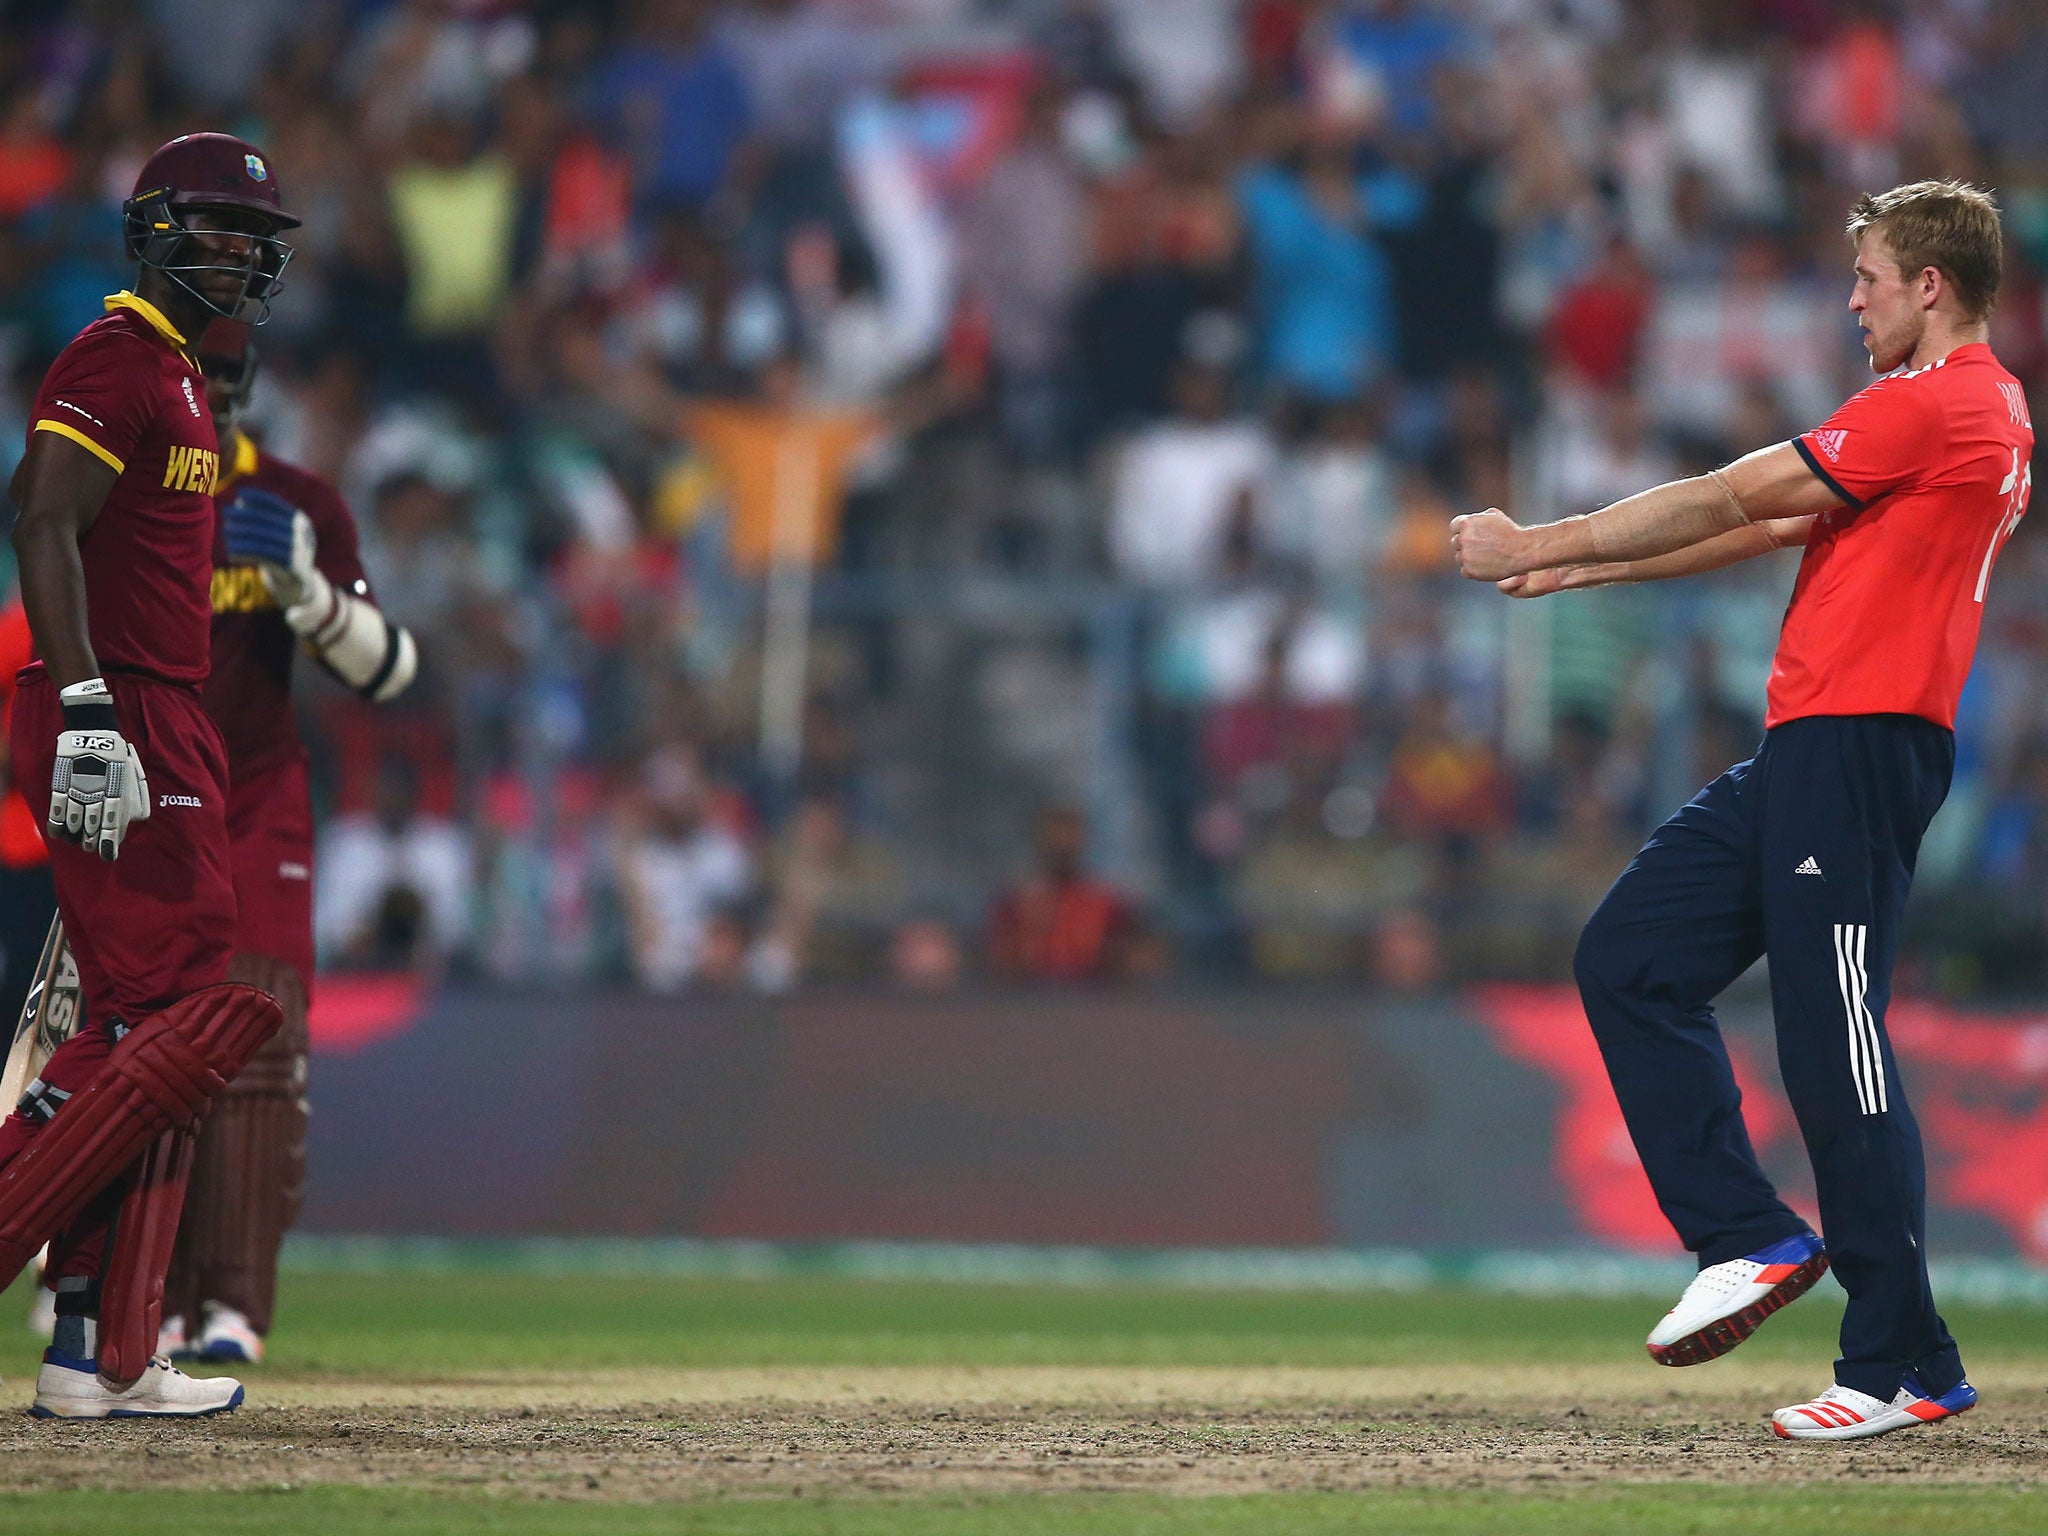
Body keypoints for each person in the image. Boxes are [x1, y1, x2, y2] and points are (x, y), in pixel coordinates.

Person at [1451, 180, 2030, 1441]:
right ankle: (1747, 1235)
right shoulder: (1949, 416)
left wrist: (1539, 530)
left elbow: (1728, 494)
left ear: (1929, 284)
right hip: (1808, 744)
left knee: (1836, 1048)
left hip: (1860, 748)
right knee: (1628, 957)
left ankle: (1898, 1363)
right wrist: (1573, 565)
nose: (1852, 298)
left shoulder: (1941, 402)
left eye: (1868, 277)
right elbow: (1761, 525)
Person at [0, 133, 304, 1417]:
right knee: (180, 1016)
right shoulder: (113, 360)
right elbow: (40, 519)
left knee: (151, 1026)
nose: (244, 255)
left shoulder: (179, 377)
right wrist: (84, 710)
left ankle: (96, 1350)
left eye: (258, 237)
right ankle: (95, 1330)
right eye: (224, 229)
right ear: (160, 232)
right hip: (117, 697)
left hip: (159, 709)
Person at [153, 320, 416, 1366]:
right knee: (148, 1054)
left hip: (256, 801)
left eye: (224, 382)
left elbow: (387, 669)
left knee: (258, 1049)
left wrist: (305, 594)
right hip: (148, 802)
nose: (210, 400)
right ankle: (145, 1297)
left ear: (245, 389)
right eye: (193, 380)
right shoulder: (130, 497)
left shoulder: (295, 504)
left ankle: (231, 1310)